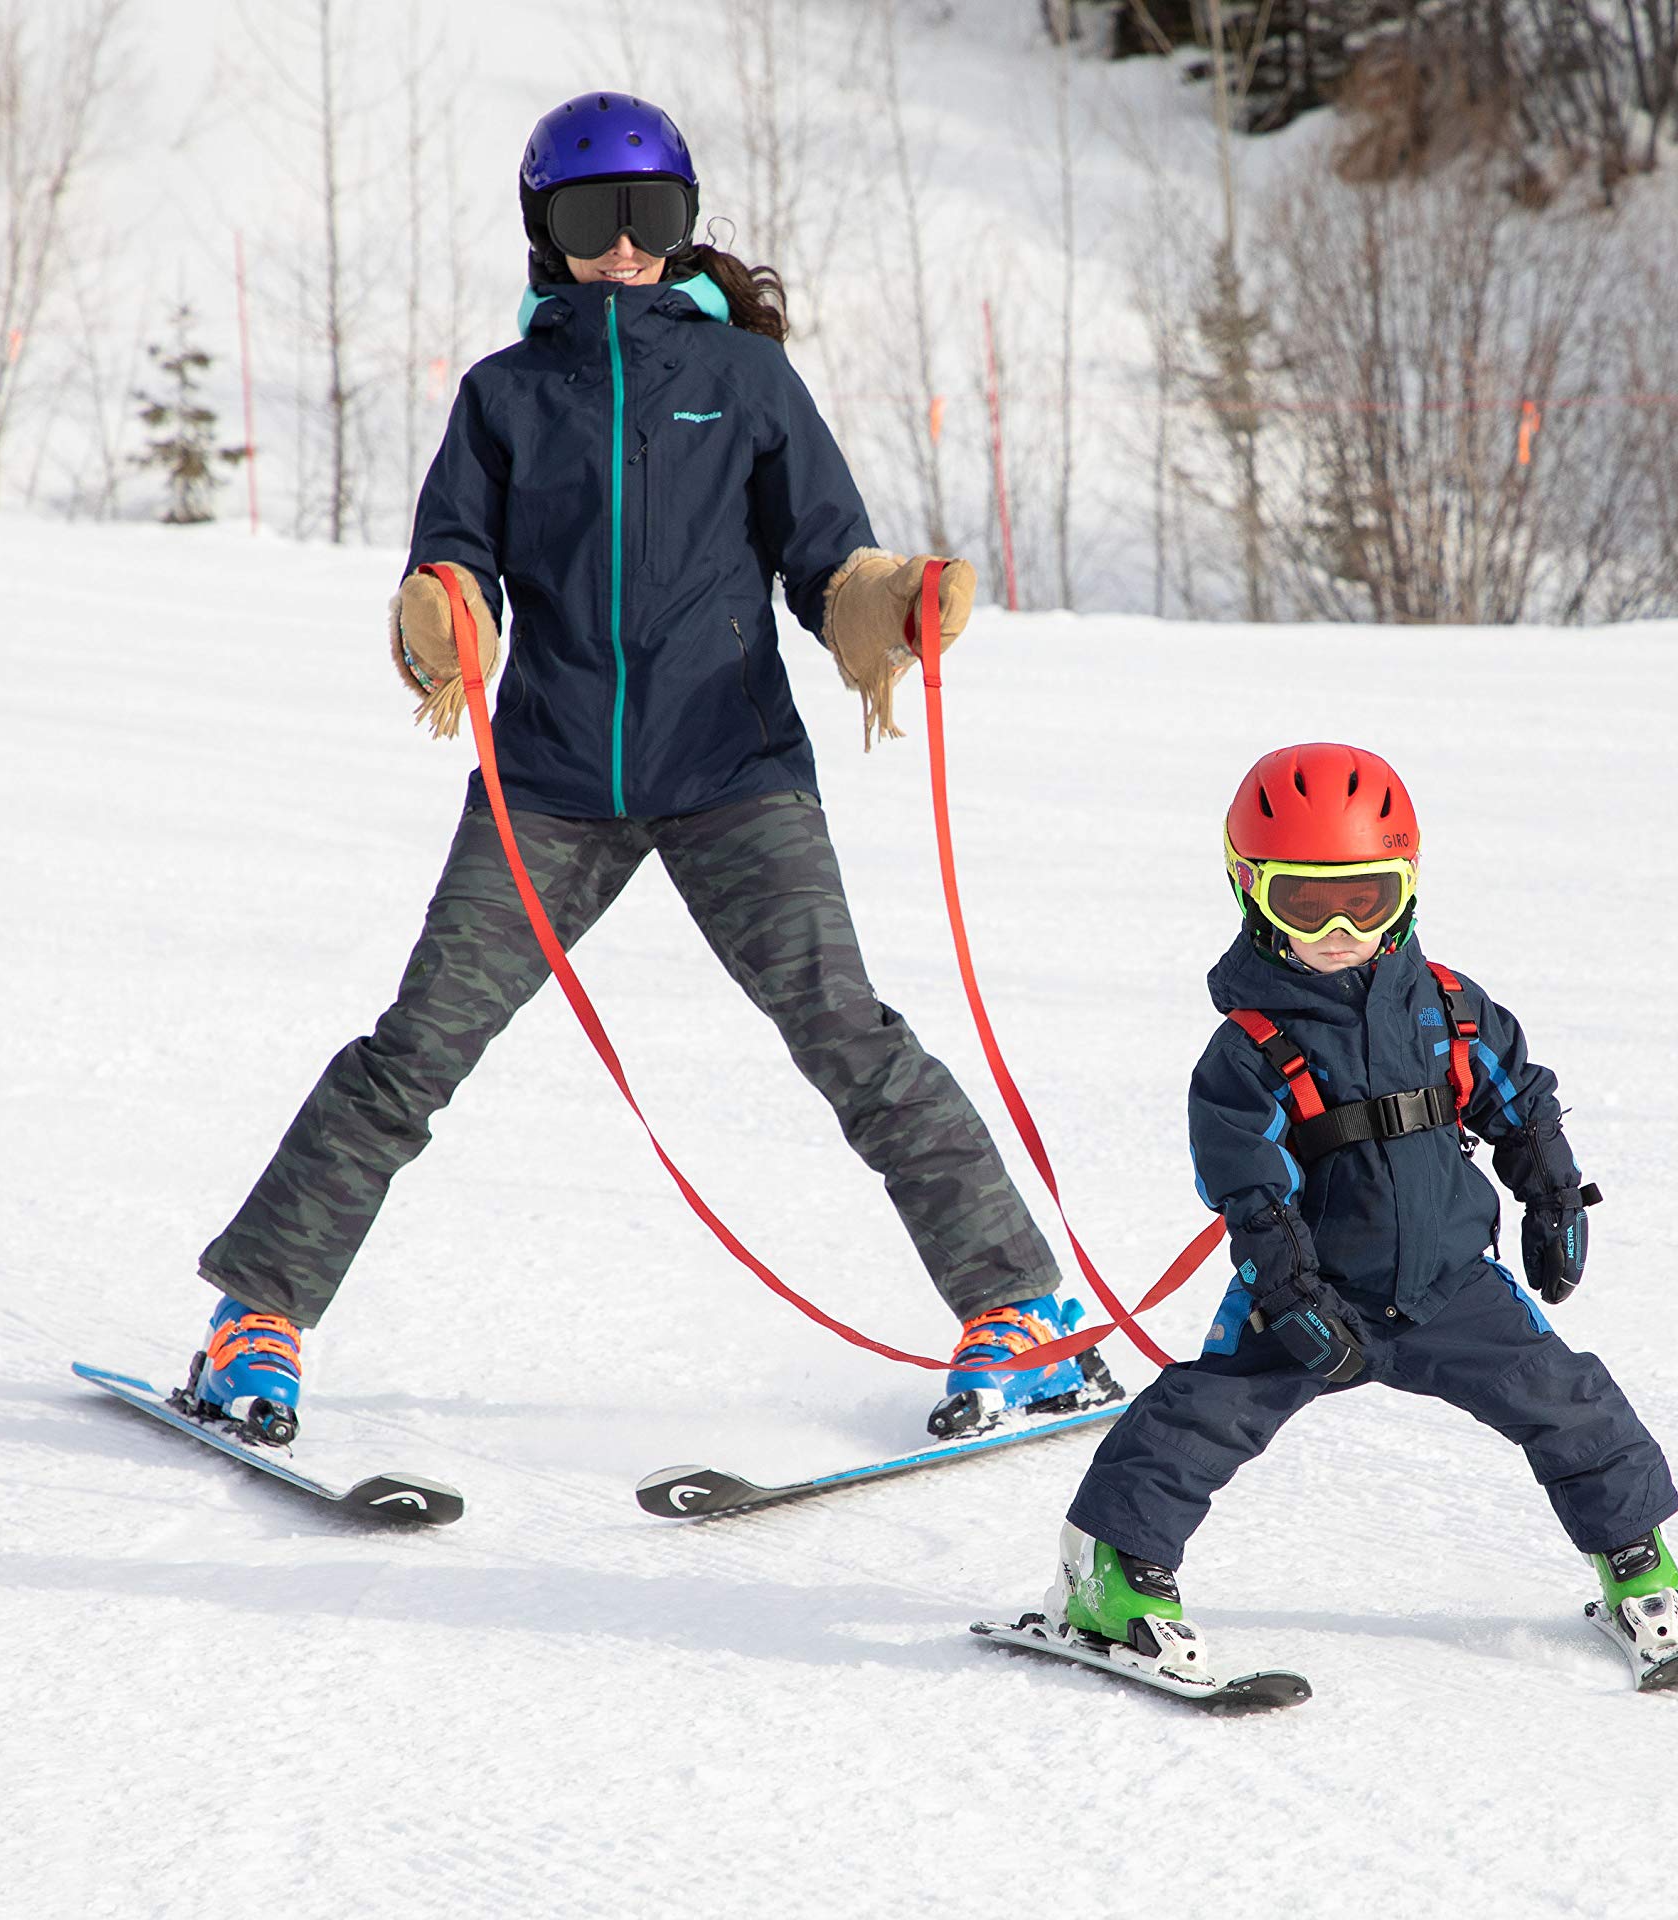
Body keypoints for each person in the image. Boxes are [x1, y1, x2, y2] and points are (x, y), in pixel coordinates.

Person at [180, 92, 1117, 1448]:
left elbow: (825, 561)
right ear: (542, 235)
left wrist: (885, 604)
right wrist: (445, 616)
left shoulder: (744, 383)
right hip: (553, 781)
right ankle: (255, 1321)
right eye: (588, 221)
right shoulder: (502, 398)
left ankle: (1019, 1315)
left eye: (649, 221)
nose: (621, 249)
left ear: (681, 231)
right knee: (414, 1051)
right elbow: (458, 558)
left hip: (733, 768)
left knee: (848, 1034)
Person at [1032, 743, 1678, 1686]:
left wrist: (1552, 1190)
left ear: (1408, 887)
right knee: (1198, 1418)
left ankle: (1636, 1564)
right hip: (1315, 1295)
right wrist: (1290, 1289)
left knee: (1572, 1401)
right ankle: (1109, 1578)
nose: (1342, 926)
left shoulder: (1450, 1007)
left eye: (1369, 896)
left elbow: (1518, 1099)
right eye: (1305, 905)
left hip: (1451, 1283)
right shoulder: (1248, 1049)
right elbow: (1251, 1188)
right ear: (1249, 890)